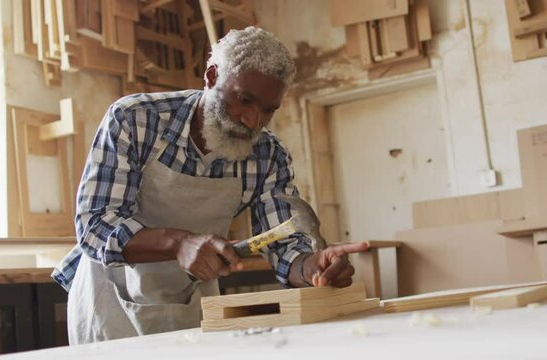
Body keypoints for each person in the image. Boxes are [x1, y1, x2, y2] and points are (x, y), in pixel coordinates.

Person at [51, 26, 369, 344]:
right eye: (245, 100)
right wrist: (179, 243)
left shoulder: (267, 155)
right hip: (109, 303)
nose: (254, 120)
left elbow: (285, 245)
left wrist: (312, 267)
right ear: (212, 76)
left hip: (187, 301)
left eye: (268, 109)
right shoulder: (135, 121)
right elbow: (95, 225)